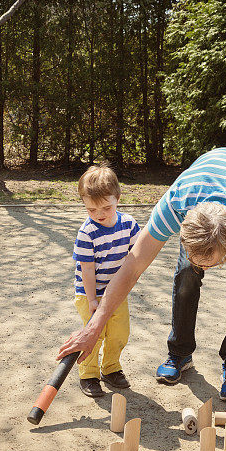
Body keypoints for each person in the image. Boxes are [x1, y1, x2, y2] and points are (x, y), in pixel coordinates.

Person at [58, 148, 226, 418]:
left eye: (208, 263)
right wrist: (94, 327)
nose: (202, 267)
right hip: (202, 183)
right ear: (183, 230)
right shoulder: (175, 203)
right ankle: (180, 353)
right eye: (195, 255)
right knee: (187, 273)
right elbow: (132, 267)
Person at [73, 164, 140, 398]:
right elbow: (87, 269)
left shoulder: (129, 224)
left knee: (119, 332)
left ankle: (110, 368)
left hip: (117, 292)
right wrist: (92, 298)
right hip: (89, 293)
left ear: (118, 198)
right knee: (95, 333)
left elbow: (136, 256)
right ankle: (88, 374)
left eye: (106, 207)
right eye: (91, 209)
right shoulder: (87, 232)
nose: (99, 214)